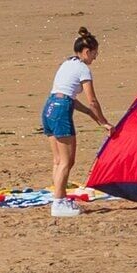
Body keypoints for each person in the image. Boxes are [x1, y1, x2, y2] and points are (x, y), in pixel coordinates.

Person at [41, 29, 110, 217]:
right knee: (67, 161)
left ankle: (59, 198)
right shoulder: (83, 69)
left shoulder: (67, 64)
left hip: (49, 108)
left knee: (58, 160)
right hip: (61, 110)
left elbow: (67, 95)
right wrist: (103, 122)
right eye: (95, 54)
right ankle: (59, 204)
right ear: (87, 51)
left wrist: (89, 114)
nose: (95, 58)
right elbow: (92, 100)